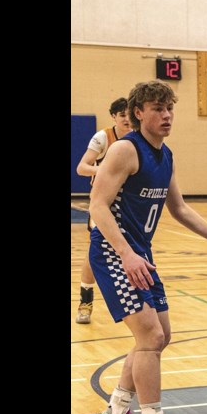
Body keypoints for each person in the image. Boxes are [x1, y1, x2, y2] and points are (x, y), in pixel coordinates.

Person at [88, 81, 207, 414]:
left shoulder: (165, 155)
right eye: (157, 108)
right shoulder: (124, 150)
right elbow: (97, 205)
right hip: (116, 254)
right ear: (138, 113)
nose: (166, 116)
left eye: (169, 109)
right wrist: (126, 254)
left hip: (140, 254)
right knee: (149, 337)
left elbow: (179, 209)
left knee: (160, 335)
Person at [74, 97, 132, 324]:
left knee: (132, 250)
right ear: (114, 117)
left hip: (129, 205)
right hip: (104, 203)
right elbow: (82, 167)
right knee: (94, 252)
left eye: (130, 114)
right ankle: (85, 301)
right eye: (122, 115)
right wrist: (103, 170)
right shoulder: (103, 137)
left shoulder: (139, 138)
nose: (127, 119)